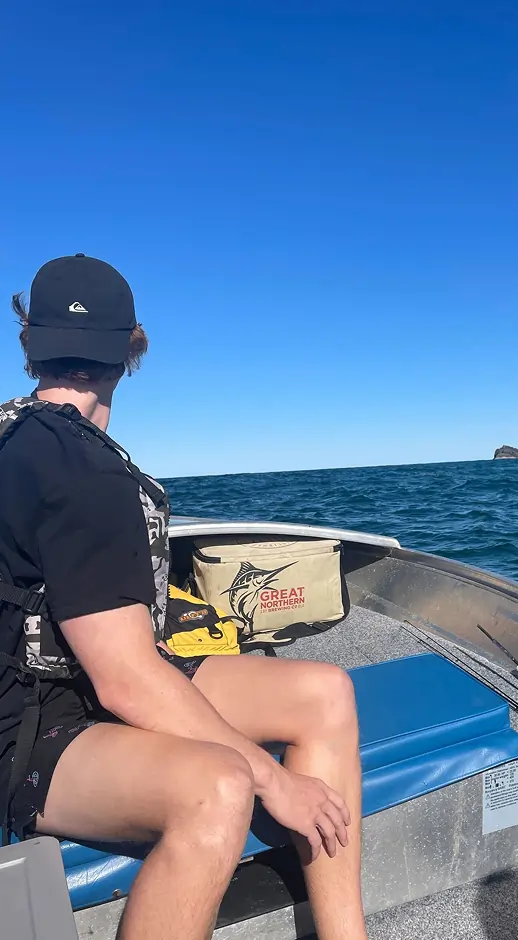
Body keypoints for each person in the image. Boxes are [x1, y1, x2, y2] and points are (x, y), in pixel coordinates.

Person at [0, 254, 368, 940]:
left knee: (325, 692)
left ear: (29, 347)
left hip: (75, 685)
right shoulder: (81, 470)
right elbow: (127, 682)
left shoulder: (22, 438)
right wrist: (275, 781)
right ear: (130, 352)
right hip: (30, 732)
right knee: (220, 789)